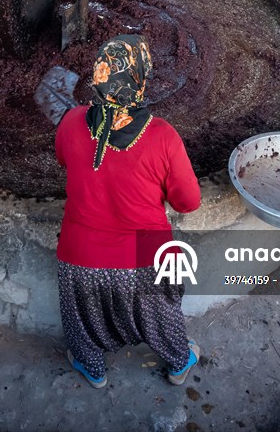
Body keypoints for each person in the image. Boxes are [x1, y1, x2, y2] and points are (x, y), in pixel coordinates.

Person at [55, 34, 202, 388]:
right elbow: (189, 202)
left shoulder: (71, 122)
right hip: (145, 260)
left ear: (99, 75)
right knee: (162, 311)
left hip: (79, 259)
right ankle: (178, 362)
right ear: (140, 78)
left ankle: (92, 367)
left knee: (83, 320)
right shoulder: (163, 136)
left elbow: (65, 161)